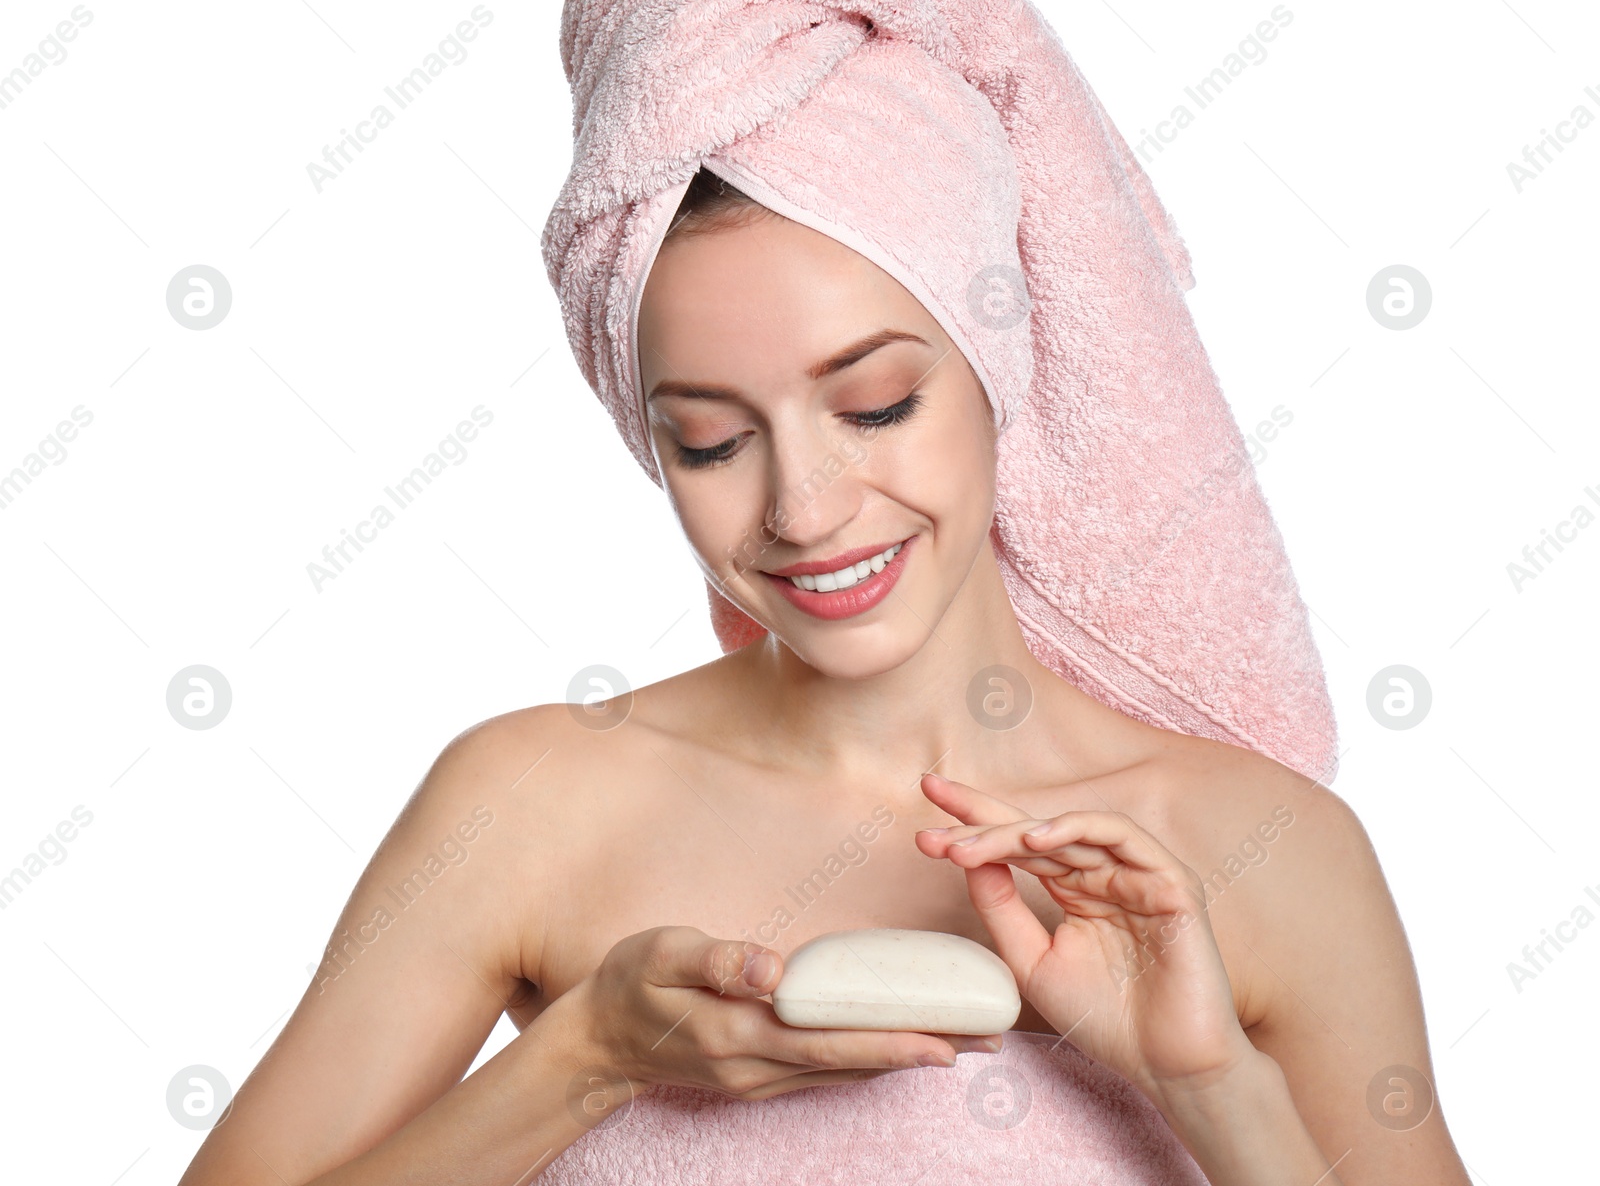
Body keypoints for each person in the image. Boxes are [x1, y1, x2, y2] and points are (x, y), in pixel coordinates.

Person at [176, 167, 1471, 1185]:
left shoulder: (1254, 846)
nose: (804, 509)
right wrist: (584, 1062)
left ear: (995, 364)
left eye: (876, 406)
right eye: (710, 440)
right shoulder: (531, 803)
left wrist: (1210, 1088)